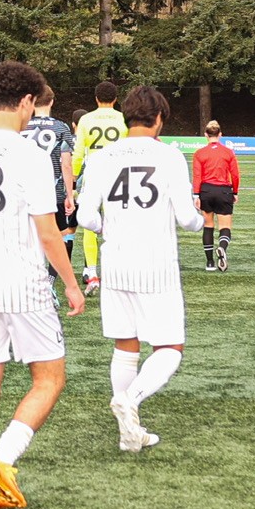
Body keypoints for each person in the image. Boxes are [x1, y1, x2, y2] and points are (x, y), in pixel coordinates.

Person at [0, 60, 86, 509]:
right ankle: (2, 461)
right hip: (23, 283)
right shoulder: (30, 153)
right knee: (49, 379)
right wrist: (71, 284)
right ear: (28, 101)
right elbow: (48, 232)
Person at [76, 84, 202, 452]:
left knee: (125, 344)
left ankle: (129, 430)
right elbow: (186, 218)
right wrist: (200, 222)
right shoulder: (170, 157)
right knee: (170, 347)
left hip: (115, 261)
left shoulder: (102, 158)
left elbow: (85, 215)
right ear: (160, 118)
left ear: (127, 117)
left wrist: (106, 227)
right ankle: (132, 400)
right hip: (156, 263)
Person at [70, 80, 128, 295]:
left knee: (88, 224)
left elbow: (77, 154)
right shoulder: (123, 119)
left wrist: (73, 181)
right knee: (120, 224)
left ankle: (92, 273)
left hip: (94, 175)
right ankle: (118, 273)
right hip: (118, 176)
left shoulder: (86, 119)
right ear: (115, 99)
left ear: (96, 98)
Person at [21, 81, 80, 280]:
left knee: (27, 239)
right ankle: (50, 282)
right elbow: (66, 164)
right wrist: (69, 194)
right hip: (52, 193)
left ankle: (29, 281)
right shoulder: (60, 127)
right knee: (60, 238)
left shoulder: (22, 126)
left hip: (24, 193)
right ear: (52, 102)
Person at [190, 120, 241, 271]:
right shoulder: (228, 152)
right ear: (220, 134)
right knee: (225, 226)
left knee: (208, 226)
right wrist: (235, 192)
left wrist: (196, 195)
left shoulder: (199, 153)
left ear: (206, 134)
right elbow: (235, 175)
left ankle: (210, 263)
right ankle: (222, 248)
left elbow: (197, 176)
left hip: (206, 191)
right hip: (224, 190)